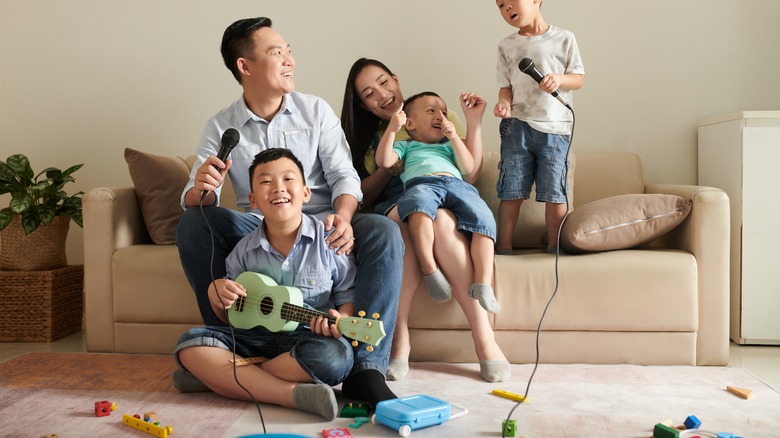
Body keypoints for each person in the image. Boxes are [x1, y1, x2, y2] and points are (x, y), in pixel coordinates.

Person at [175, 17, 403, 407]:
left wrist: (344, 218)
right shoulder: (221, 125)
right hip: (261, 222)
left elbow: (344, 176)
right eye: (276, 52)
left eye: (289, 51)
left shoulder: (315, 110)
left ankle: (365, 368)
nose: (289, 61)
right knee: (194, 222)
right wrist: (201, 188)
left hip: (327, 218)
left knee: (383, 230)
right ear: (245, 67)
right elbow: (194, 197)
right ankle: (230, 334)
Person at [341, 58, 510, 383]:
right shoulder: (372, 138)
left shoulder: (437, 117)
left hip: (445, 198)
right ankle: (399, 338)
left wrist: (473, 123)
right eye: (370, 93)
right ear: (363, 105)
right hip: (394, 202)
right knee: (401, 223)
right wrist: (387, 169)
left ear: (395, 78)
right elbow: (361, 193)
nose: (382, 94)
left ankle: (484, 336)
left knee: (442, 223)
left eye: (383, 82)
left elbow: (469, 174)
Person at [174, 149, 357, 420]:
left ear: (306, 192)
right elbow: (232, 315)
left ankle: (221, 379)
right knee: (189, 343)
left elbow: (346, 295)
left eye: (288, 179)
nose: (278, 188)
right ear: (252, 200)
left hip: (306, 340)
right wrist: (216, 293)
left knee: (336, 357)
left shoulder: (329, 240)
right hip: (254, 339)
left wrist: (340, 320)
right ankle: (290, 395)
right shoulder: (243, 251)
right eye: (265, 182)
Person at [375, 91, 499, 315]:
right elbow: (383, 160)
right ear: (410, 123)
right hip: (422, 185)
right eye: (431, 110)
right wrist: (392, 130)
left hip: (458, 186)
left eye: (443, 111)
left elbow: (469, 168)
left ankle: (483, 283)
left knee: (484, 219)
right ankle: (429, 269)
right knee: (417, 210)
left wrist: (453, 138)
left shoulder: (449, 146)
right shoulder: (407, 146)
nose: (440, 115)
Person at [493, 0, 585, 253]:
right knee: (512, 190)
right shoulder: (506, 45)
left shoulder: (564, 38)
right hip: (516, 128)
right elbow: (506, 86)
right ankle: (504, 247)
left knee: (555, 192)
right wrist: (504, 102)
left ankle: (555, 248)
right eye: (500, 5)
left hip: (556, 130)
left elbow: (578, 78)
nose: (507, 8)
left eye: (512, 1)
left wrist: (559, 78)